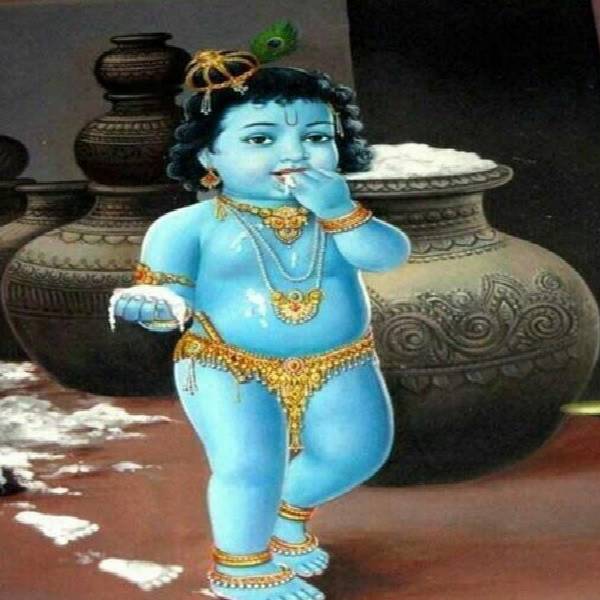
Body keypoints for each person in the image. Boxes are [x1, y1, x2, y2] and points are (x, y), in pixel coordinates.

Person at [110, 49, 411, 600]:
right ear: (209, 154)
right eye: (260, 139)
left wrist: (339, 210)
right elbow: (171, 294)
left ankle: (286, 513)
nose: (294, 153)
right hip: (227, 363)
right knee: (247, 465)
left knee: (357, 453)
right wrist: (155, 306)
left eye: (316, 137)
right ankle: (242, 567)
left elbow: (387, 256)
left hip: (342, 360)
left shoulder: (339, 218)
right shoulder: (187, 226)